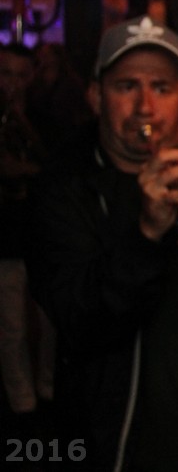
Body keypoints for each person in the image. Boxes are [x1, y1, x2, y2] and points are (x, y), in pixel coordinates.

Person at [27, 16, 178, 471]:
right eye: (127, 86)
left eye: (162, 88)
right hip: (112, 443)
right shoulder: (62, 189)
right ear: (96, 96)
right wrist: (147, 235)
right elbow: (77, 321)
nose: (145, 107)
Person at [0, 43, 54, 424]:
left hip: (40, 234)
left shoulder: (44, 117)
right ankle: (22, 407)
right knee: (11, 328)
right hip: (4, 237)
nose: (13, 83)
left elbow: (56, 169)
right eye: (6, 74)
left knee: (51, 323)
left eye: (21, 75)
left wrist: (24, 169)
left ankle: (49, 393)